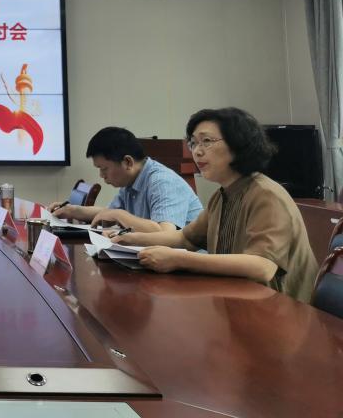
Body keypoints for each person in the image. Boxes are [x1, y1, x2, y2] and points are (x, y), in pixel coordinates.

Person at [114, 107, 319, 302]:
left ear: (239, 145)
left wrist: (178, 259)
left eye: (207, 141)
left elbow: (262, 266)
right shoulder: (221, 195)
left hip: (283, 309)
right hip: (240, 299)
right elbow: (185, 238)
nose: (197, 151)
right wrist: (128, 239)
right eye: (193, 143)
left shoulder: (266, 195)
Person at [49, 126, 203, 232]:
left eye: (104, 168)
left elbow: (165, 232)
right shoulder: (131, 181)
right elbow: (108, 213)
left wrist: (119, 215)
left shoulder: (162, 181)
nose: (101, 175)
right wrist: (72, 210)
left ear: (128, 162)